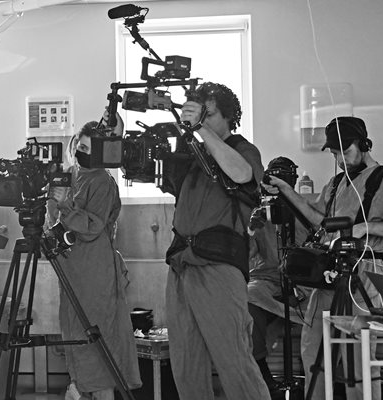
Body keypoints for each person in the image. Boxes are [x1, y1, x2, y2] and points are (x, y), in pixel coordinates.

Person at [262, 116, 383, 400]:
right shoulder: (337, 184)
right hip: (332, 274)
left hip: (366, 274)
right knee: (314, 350)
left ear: (363, 144)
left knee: (357, 357)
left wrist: (366, 227)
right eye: (334, 153)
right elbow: (319, 221)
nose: (339, 159)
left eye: (344, 151)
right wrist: (286, 191)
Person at [162, 82, 270, 400]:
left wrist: (200, 130)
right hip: (182, 263)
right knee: (186, 364)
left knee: (234, 359)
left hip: (219, 266)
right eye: (199, 113)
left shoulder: (242, 148)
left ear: (228, 117)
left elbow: (242, 174)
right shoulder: (193, 155)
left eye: (210, 114)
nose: (204, 120)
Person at [51, 119, 141, 400]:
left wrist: (66, 206)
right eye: (80, 146)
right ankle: (78, 387)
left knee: (98, 344)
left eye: (89, 148)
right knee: (75, 338)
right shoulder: (70, 175)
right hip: (71, 270)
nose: (82, 152)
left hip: (95, 272)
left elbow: (92, 227)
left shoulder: (102, 181)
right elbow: (53, 219)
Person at [247, 156, 311, 392]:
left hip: (303, 282)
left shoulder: (304, 209)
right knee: (247, 297)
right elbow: (248, 255)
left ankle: (314, 375)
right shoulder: (259, 211)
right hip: (267, 279)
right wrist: (251, 229)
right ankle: (261, 373)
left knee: (322, 308)